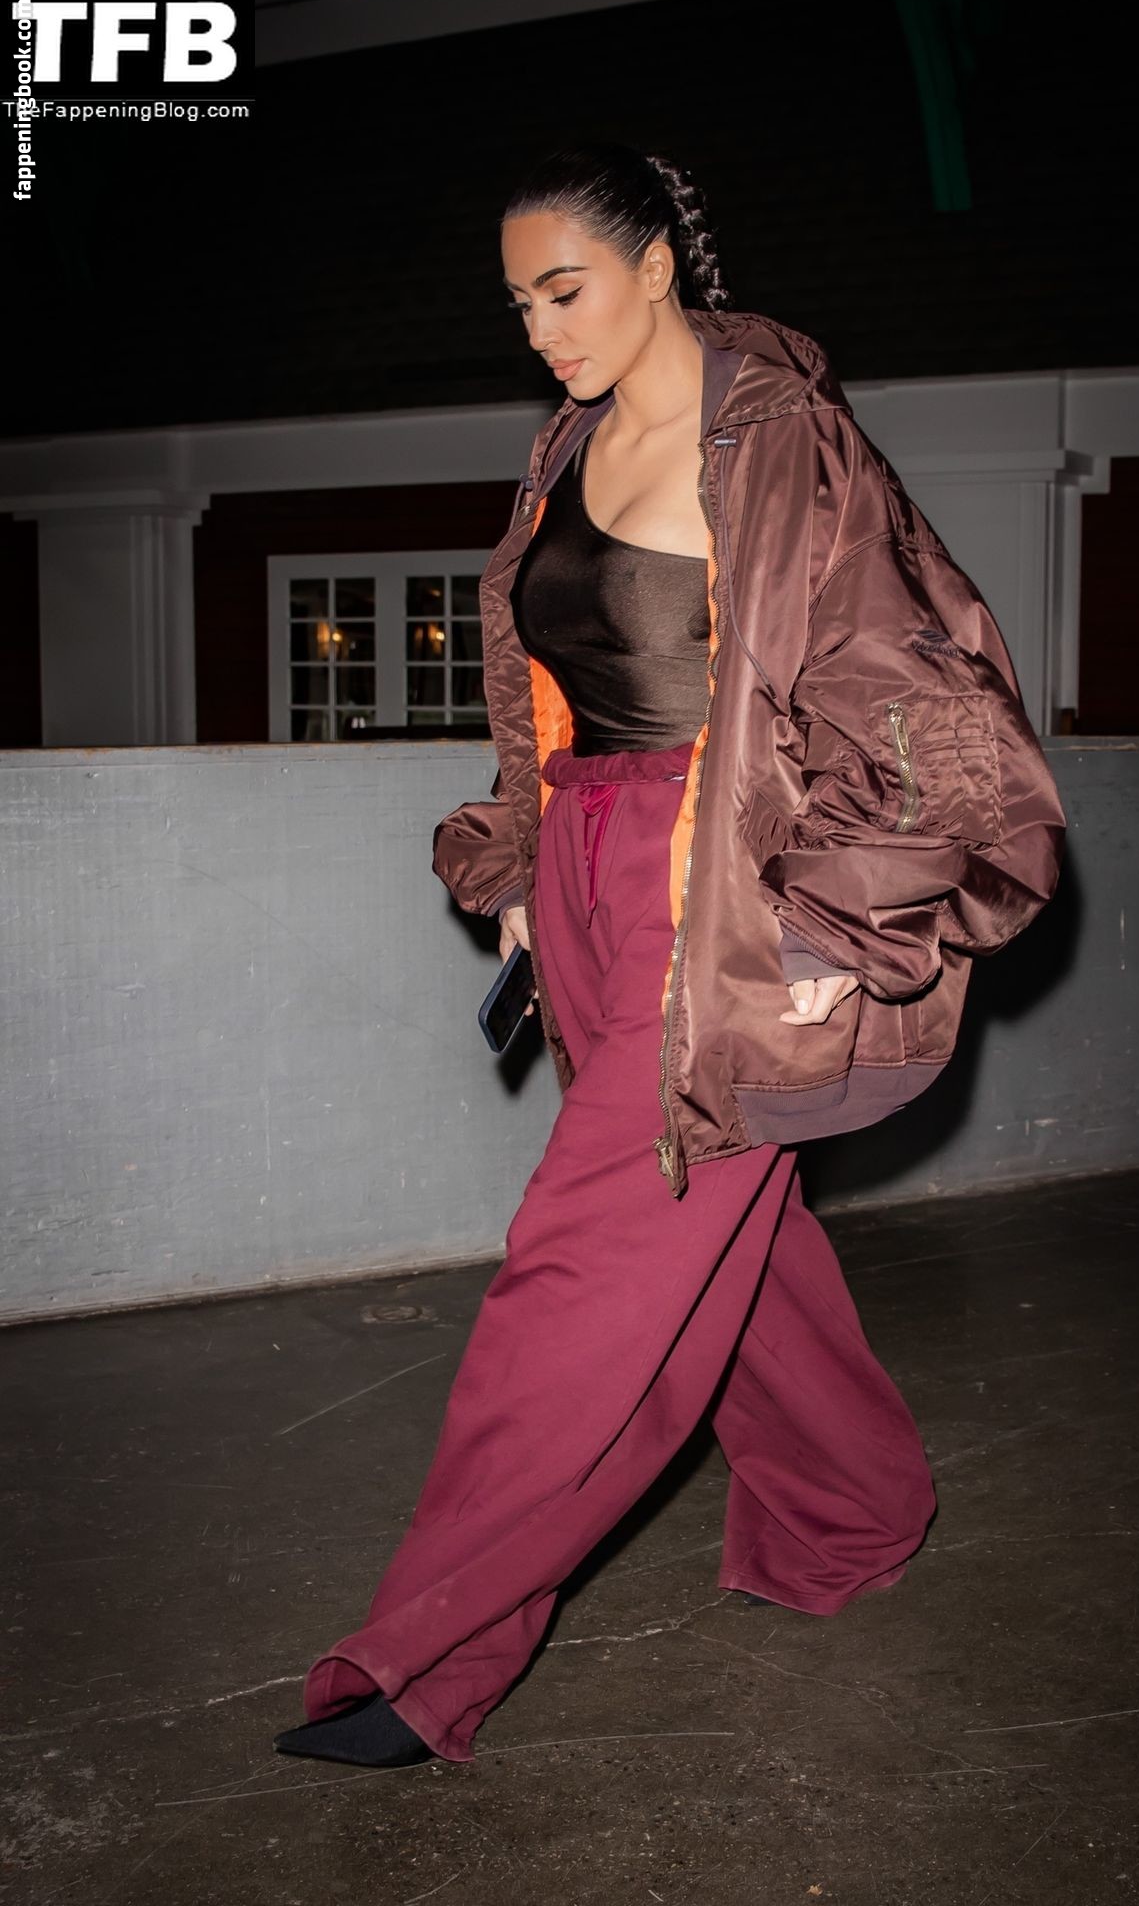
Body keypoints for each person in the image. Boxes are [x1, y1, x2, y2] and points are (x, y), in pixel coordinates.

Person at [273, 142, 1066, 1770]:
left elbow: (923, 696)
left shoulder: (784, 443)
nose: (541, 329)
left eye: (565, 289)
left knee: (580, 1269)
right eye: (520, 304)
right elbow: (544, 687)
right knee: (732, 1242)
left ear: (654, 267)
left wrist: (841, 915)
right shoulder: (566, 442)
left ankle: (429, 1658)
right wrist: (521, 856)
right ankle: (856, 1507)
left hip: (728, 895)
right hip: (584, 884)